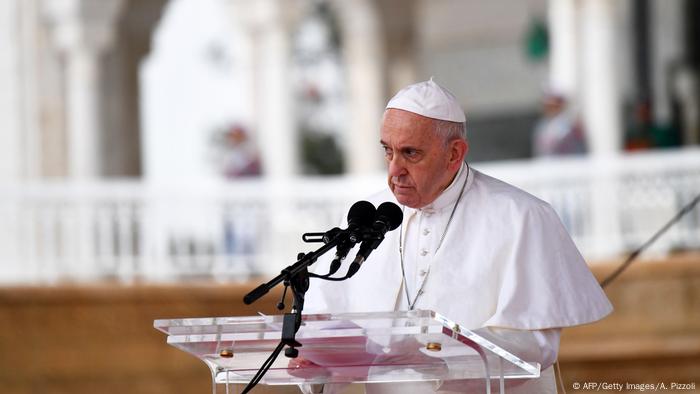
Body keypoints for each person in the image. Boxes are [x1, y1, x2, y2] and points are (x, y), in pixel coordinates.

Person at [303, 79, 612, 393]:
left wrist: (437, 355)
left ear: (454, 154)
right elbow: (323, 328)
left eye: (410, 153)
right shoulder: (365, 219)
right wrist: (313, 367)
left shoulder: (522, 217)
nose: (394, 170)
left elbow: (533, 347)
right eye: (388, 151)